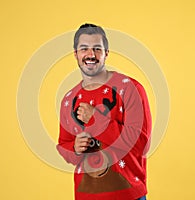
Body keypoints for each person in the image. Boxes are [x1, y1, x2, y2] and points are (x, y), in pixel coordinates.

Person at [56, 23, 151, 200]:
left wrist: (96, 120)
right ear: (75, 54)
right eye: (84, 48)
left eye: (97, 49)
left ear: (106, 53)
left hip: (128, 195)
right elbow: (64, 145)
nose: (90, 55)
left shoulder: (131, 89)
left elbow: (141, 144)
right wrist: (75, 148)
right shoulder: (69, 99)